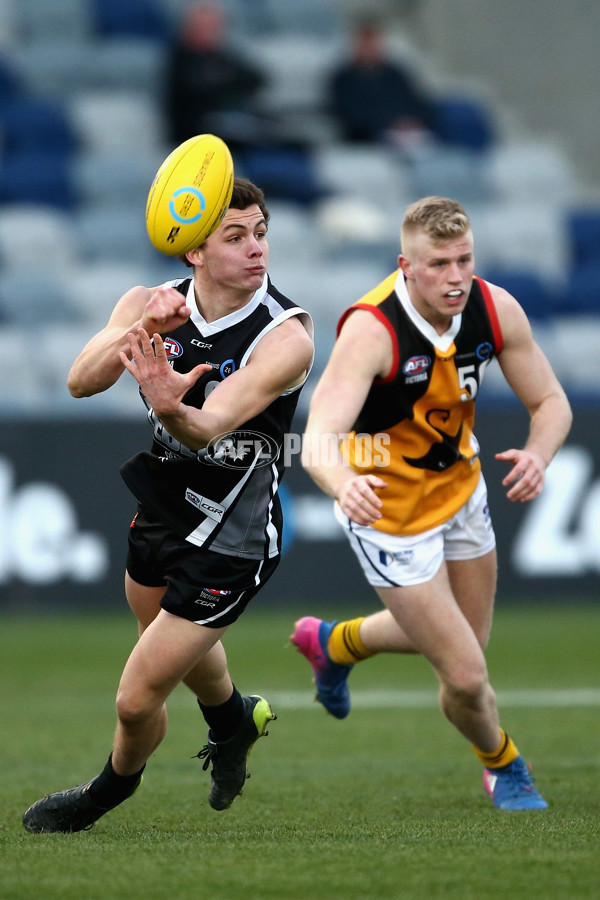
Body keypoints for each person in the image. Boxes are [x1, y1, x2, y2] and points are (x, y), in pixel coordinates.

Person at [22, 177, 314, 833]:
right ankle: (234, 721)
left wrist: (167, 406)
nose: (256, 249)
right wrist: (141, 326)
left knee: (136, 697)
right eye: (234, 236)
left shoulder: (285, 335)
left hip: (233, 537)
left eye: (261, 232)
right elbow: (79, 381)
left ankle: (104, 795)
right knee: (171, 647)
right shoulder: (151, 303)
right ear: (193, 251)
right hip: (161, 508)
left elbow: (209, 429)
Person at [292, 195, 572, 811]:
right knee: (468, 677)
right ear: (406, 265)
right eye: (439, 264)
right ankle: (504, 764)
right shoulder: (373, 329)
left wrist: (538, 455)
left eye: (464, 260)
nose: (455, 277)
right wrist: (345, 485)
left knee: (460, 649)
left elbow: (552, 403)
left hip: (463, 494)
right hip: (388, 515)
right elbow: (317, 441)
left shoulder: (495, 309)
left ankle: (335, 644)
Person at [165, 2, 270, 152]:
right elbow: (197, 90)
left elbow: (256, 79)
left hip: (231, 126)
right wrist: (227, 81)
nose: (210, 32)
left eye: (214, 26)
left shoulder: (223, 56)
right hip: (195, 137)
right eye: (203, 27)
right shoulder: (179, 59)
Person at [328, 18, 437, 151]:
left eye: (373, 42)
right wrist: (390, 124)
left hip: (408, 136)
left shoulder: (396, 74)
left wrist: (411, 121)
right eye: (364, 42)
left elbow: (415, 102)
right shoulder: (343, 79)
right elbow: (350, 116)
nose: (369, 48)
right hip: (367, 142)